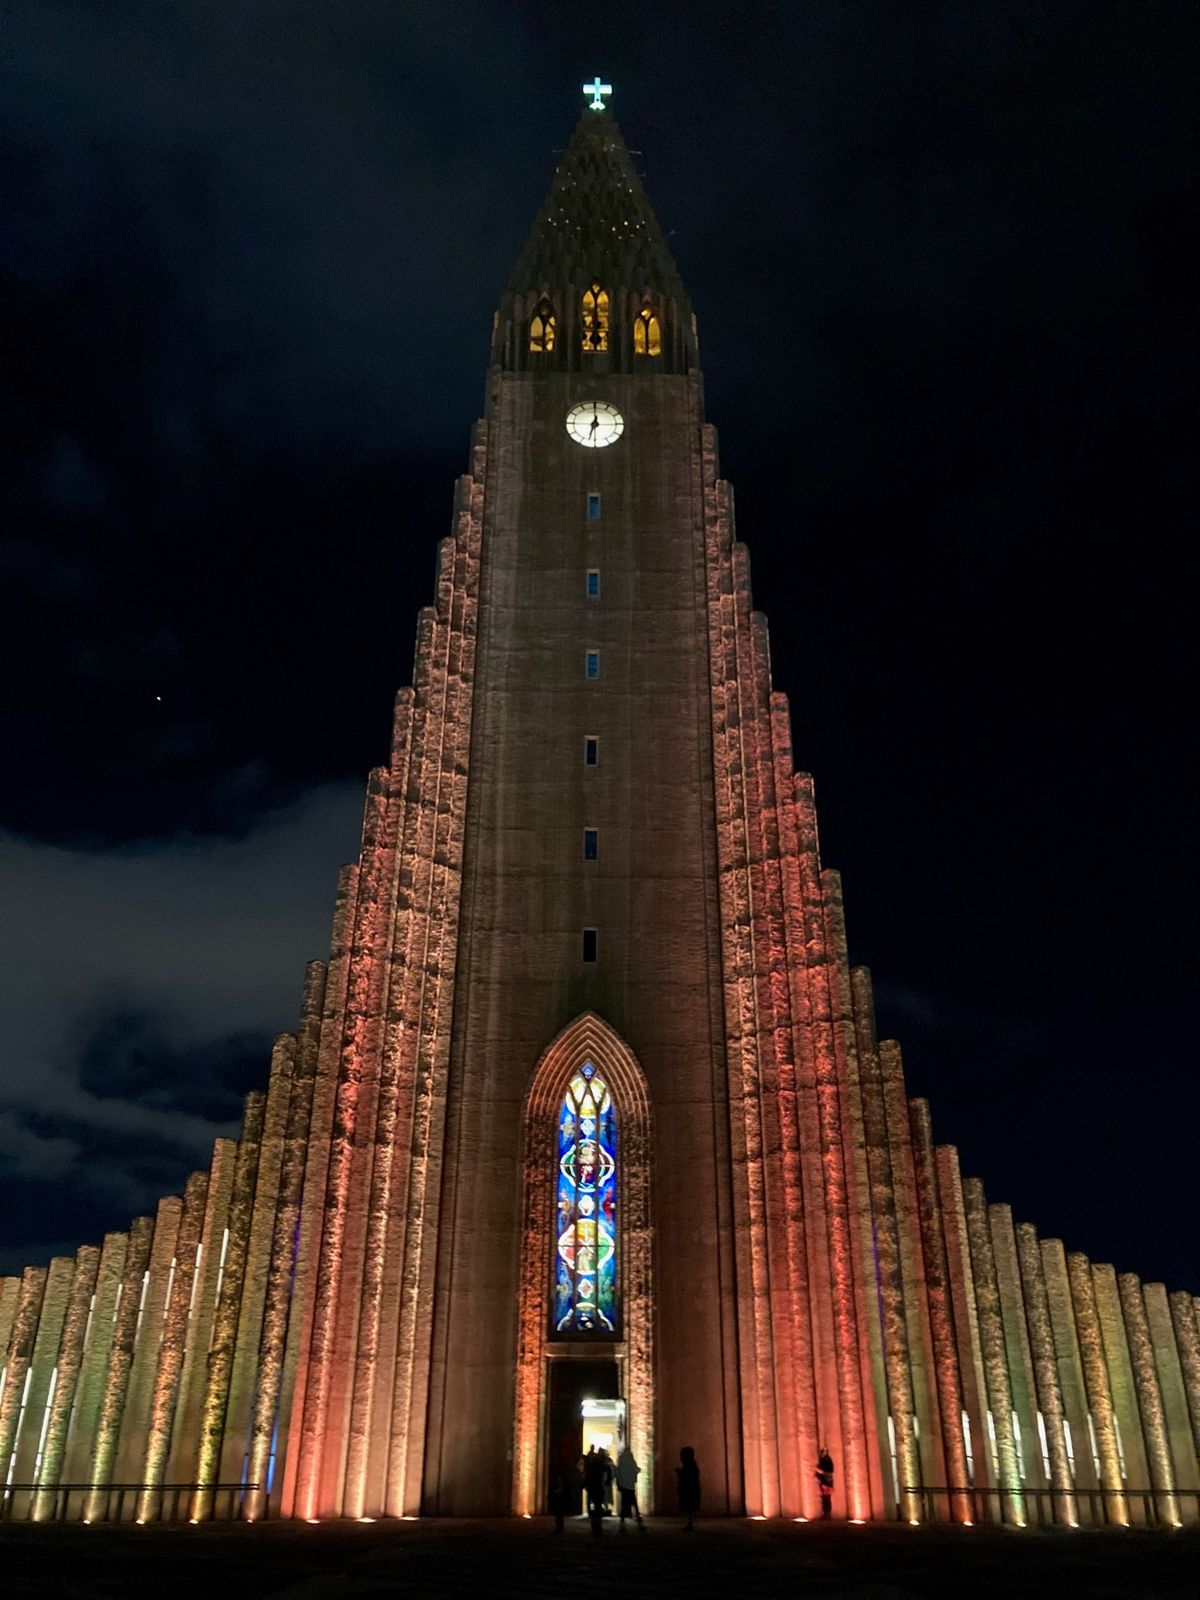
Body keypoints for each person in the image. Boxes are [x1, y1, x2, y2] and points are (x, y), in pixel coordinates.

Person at [615, 1443, 645, 1531]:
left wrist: (619, 1484)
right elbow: (636, 1470)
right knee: (635, 1506)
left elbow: (618, 1473)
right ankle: (639, 1524)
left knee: (624, 1505)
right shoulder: (631, 1461)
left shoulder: (621, 1461)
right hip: (630, 1488)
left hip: (624, 1487)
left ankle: (622, 1524)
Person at [676, 1445, 700, 1531]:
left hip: (690, 1489)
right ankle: (690, 1523)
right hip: (690, 1489)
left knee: (690, 1506)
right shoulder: (691, 1464)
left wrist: (680, 1473)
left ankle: (690, 1523)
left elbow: (688, 1476)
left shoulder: (690, 1465)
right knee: (689, 1507)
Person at [583, 1445, 605, 1536]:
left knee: (596, 1506)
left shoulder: (594, 1462)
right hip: (597, 1487)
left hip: (594, 1487)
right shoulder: (598, 1463)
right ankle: (596, 1526)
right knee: (597, 1506)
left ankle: (595, 1526)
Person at [815, 1444, 835, 1519]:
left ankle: (827, 1514)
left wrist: (820, 1472)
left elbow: (830, 1471)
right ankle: (825, 1514)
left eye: (825, 1451)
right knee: (824, 1498)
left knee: (827, 1498)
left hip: (827, 1482)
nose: (823, 1453)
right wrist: (817, 1475)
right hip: (823, 1482)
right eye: (823, 1451)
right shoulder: (822, 1460)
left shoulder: (828, 1460)